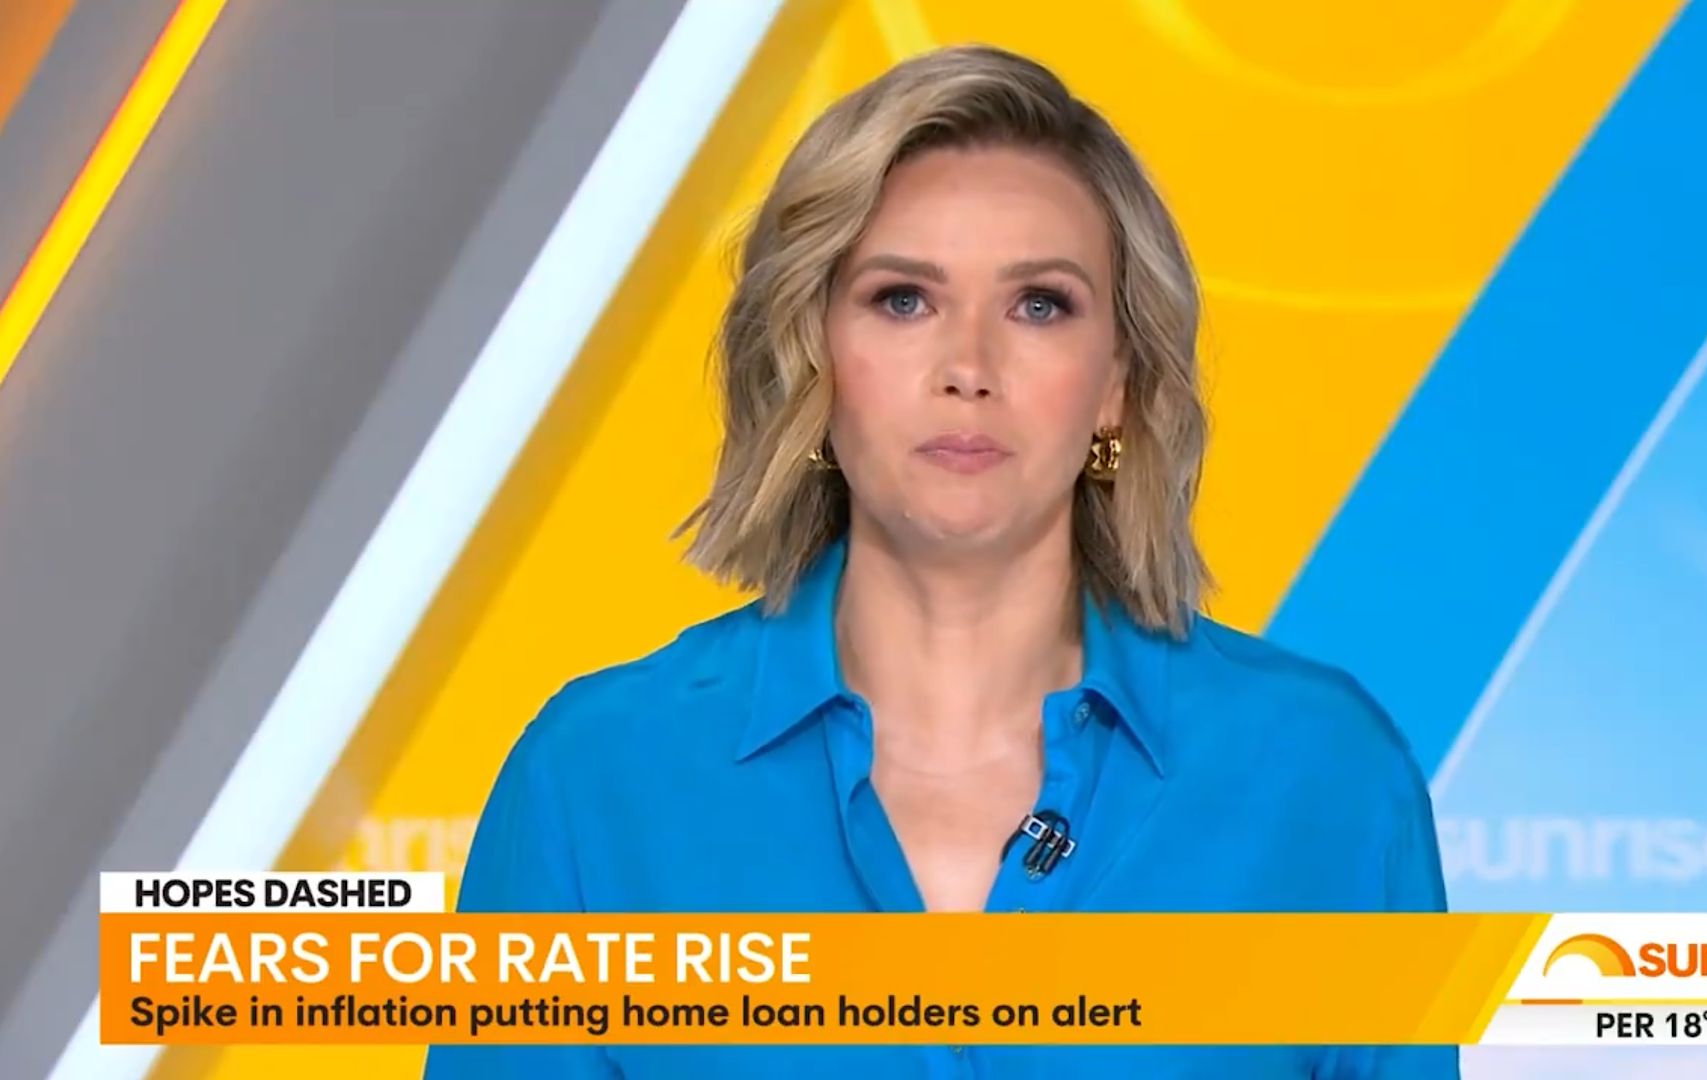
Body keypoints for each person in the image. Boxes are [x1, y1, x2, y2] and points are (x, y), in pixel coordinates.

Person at [425, 43, 1453, 1080]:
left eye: (1039, 304)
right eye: (903, 299)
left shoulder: (1325, 774)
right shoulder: (595, 777)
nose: (969, 367)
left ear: (1115, 384)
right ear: (814, 357)